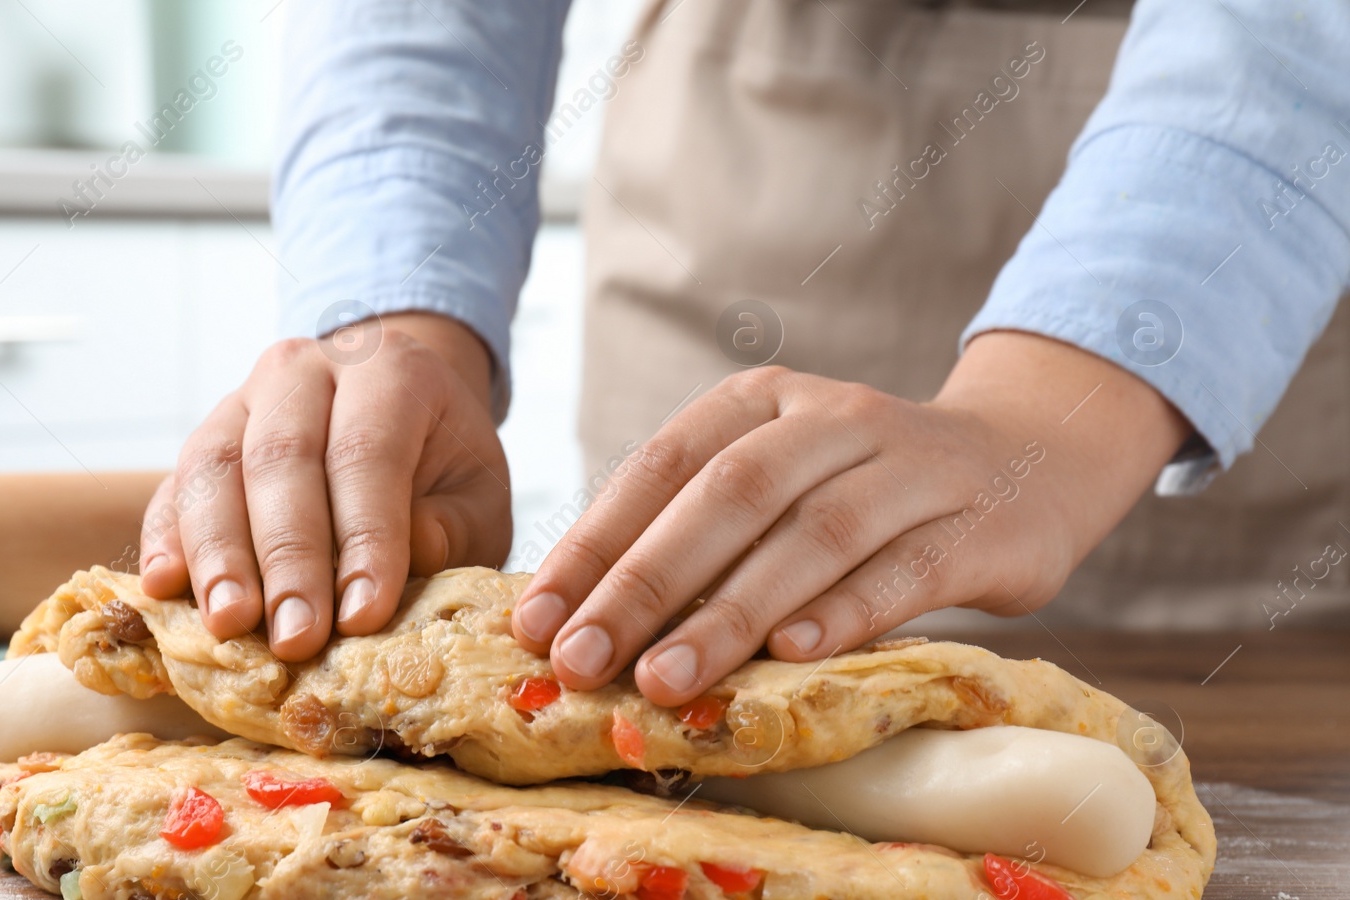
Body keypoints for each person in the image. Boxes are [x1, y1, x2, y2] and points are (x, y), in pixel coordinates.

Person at [137, 0, 1350, 708]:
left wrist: (1055, 409)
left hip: (1247, 291)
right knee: (663, 698)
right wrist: (396, 325)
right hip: (747, 179)